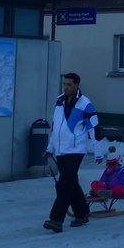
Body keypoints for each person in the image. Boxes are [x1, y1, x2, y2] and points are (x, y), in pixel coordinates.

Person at [42, 72, 104, 232]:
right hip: (61, 150)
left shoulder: (85, 104)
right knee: (71, 183)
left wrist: (99, 152)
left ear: (77, 85)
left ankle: (56, 219)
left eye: (69, 84)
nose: (66, 87)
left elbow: (95, 128)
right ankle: (82, 213)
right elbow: (56, 128)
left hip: (76, 150)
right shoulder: (59, 102)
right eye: (65, 84)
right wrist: (50, 148)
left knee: (64, 184)